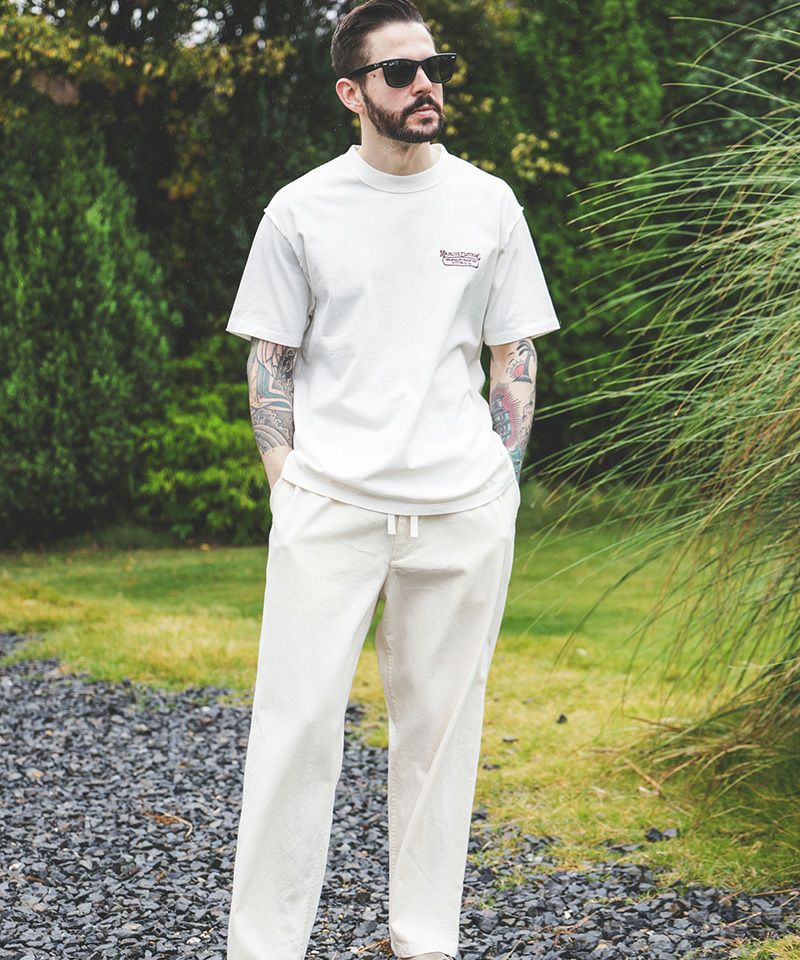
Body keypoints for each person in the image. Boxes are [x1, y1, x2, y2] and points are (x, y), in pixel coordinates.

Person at [223, 1, 560, 958]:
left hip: (461, 511)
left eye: (435, 67)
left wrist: (502, 483)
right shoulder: (302, 208)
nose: (426, 86)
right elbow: (270, 359)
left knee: (441, 738)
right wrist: (290, 484)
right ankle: (263, 947)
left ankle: (425, 941)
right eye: (401, 72)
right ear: (351, 91)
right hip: (331, 504)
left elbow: (514, 353)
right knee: (294, 731)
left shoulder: (488, 203)